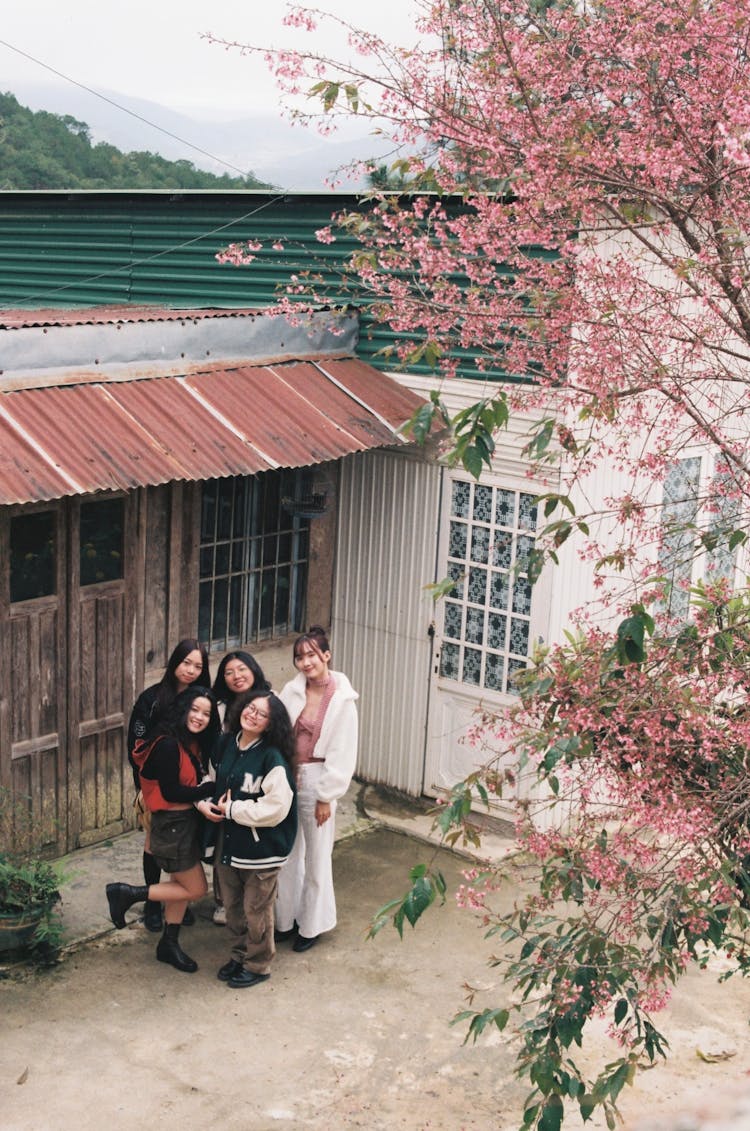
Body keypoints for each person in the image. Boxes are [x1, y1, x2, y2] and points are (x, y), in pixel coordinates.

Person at [106, 686, 221, 973]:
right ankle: (129, 893)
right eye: (194, 710)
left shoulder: (185, 740)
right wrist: (209, 788)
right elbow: (171, 792)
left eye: (206, 713)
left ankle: (169, 943)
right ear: (182, 709)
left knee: (178, 887)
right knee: (195, 889)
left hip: (182, 824)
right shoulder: (169, 744)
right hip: (172, 826)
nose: (200, 717)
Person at [205, 689, 297, 988]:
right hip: (229, 844)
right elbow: (211, 781)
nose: (252, 715)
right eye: (250, 708)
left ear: (271, 724)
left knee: (256, 909)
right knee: (231, 907)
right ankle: (238, 956)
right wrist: (208, 805)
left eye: (262, 714)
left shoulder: (272, 757)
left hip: (262, 849)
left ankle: (258, 965)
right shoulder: (225, 745)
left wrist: (233, 809)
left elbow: (277, 808)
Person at [275, 626, 358, 953]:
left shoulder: (342, 700)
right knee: (287, 853)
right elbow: (277, 729)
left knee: (317, 856)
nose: (306, 662)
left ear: (326, 655)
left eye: (312, 655)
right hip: (286, 777)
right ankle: (286, 920)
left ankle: (312, 924)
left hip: (318, 777)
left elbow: (343, 751)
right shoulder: (291, 691)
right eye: (300, 657)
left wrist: (327, 796)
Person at [127, 638, 210, 932]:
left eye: (198, 666)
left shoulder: (204, 698)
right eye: (186, 662)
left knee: (181, 845)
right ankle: (152, 901)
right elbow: (135, 744)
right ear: (175, 662)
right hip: (156, 788)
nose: (190, 670)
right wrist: (145, 788)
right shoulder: (152, 699)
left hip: (189, 786)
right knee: (153, 844)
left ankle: (176, 898)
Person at [209, 650, 271, 924]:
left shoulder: (271, 700)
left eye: (241, 669)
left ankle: (254, 901)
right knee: (224, 840)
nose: (236, 676)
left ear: (254, 669)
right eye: (229, 672)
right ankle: (223, 900)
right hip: (225, 781)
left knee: (253, 839)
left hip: (256, 781)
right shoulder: (220, 707)